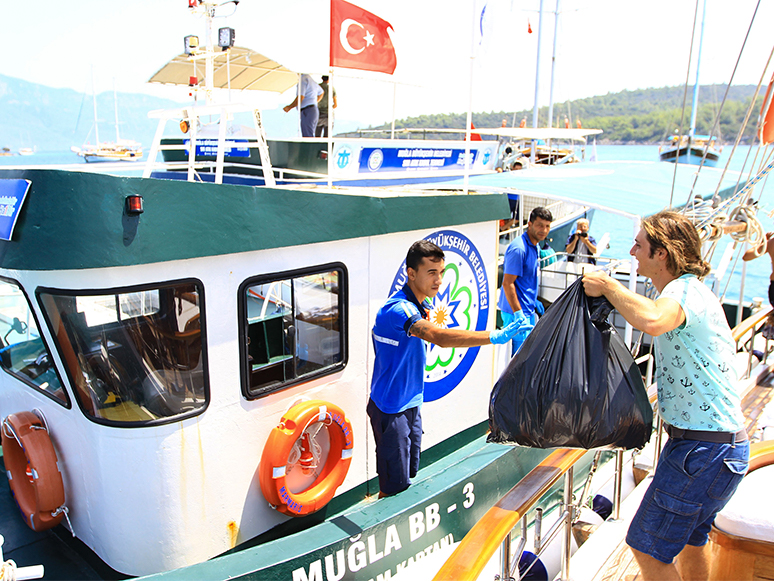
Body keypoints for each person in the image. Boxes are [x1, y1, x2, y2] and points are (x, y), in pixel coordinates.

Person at [582, 211, 748, 581]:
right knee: (692, 539)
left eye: (640, 245)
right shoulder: (692, 291)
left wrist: (609, 286)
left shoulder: (682, 291)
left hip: (702, 451)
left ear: (662, 253)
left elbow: (654, 320)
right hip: (724, 447)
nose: (633, 251)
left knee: (646, 547)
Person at [368, 240, 532, 497]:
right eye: (431, 272)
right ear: (411, 274)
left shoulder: (424, 304)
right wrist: (495, 336)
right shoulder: (399, 310)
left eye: (442, 272)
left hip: (412, 403)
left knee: (409, 475)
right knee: (393, 487)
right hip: (391, 410)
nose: (439, 280)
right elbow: (439, 337)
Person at [497, 207, 553, 354]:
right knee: (517, 360)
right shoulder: (519, 249)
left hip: (527, 310)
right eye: (540, 225)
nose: (544, 230)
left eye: (547, 226)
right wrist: (518, 314)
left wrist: (533, 302)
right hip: (515, 314)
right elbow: (507, 283)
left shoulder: (535, 246)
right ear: (530, 224)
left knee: (527, 356)